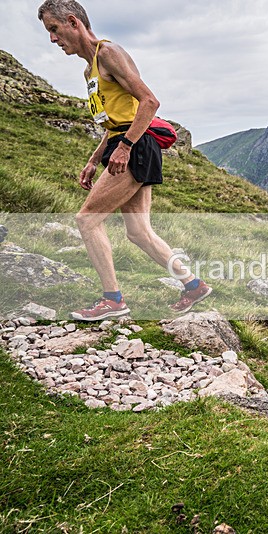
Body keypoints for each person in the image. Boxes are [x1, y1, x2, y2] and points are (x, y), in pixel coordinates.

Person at [38, 0, 211, 321]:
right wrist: (93, 159)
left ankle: (113, 300)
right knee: (139, 232)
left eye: (54, 29)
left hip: (136, 146)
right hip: (126, 144)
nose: (52, 39)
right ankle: (193, 285)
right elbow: (115, 121)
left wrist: (126, 147)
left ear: (73, 22)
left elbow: (149, 101)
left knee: (87, 220)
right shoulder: (88, 69)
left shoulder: (108, 54)